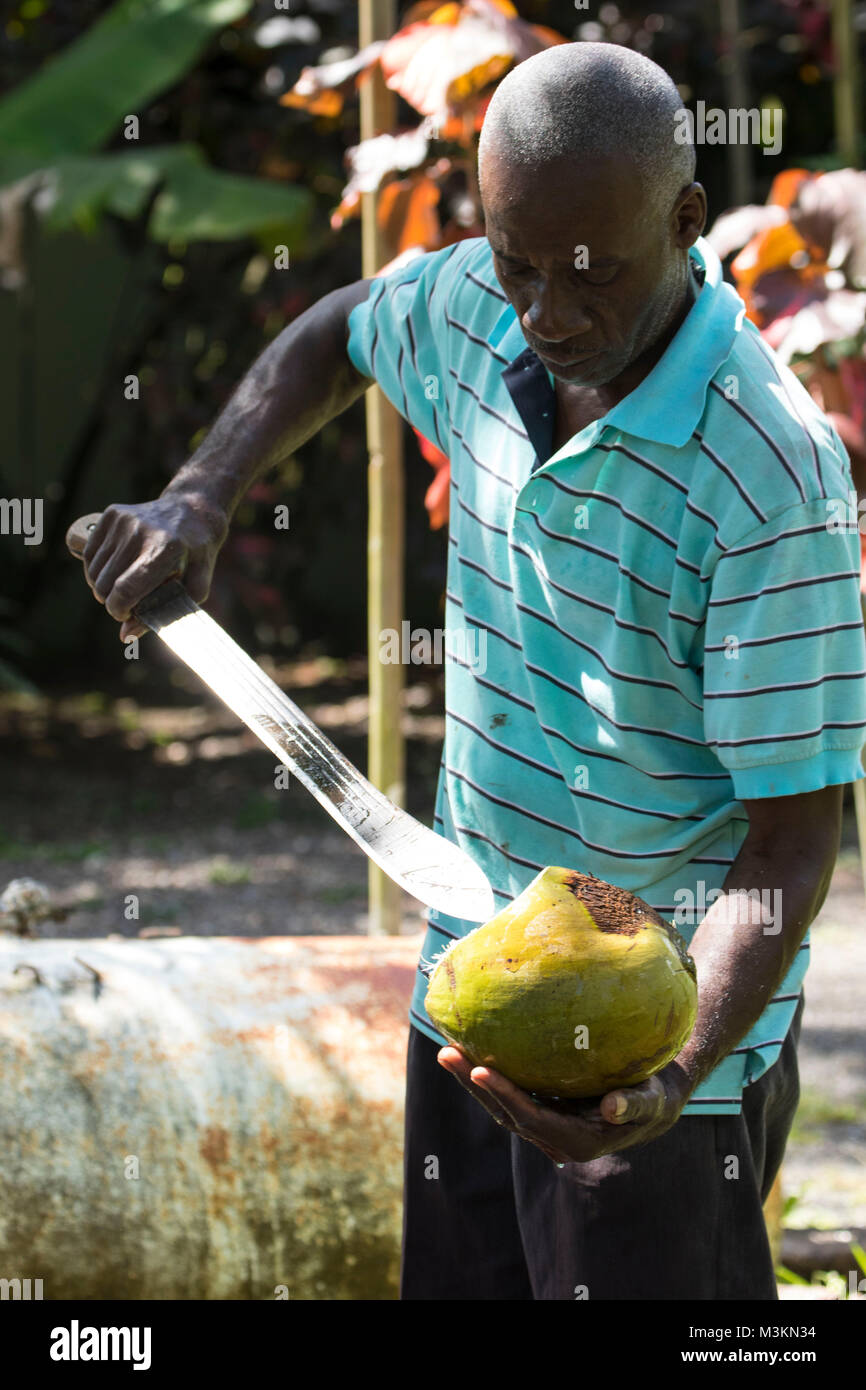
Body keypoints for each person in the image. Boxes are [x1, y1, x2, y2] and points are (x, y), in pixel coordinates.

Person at [79, 42, 866, 1300]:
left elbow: (788, 841)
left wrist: (664, 1079)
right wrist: (199, 494)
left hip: (654, 1062)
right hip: (471, 986)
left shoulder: (766, 474)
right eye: (517, 265)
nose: (547, 313)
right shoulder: (473, 316)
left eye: (590, 273)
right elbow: (339, 328)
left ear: (683, 220)